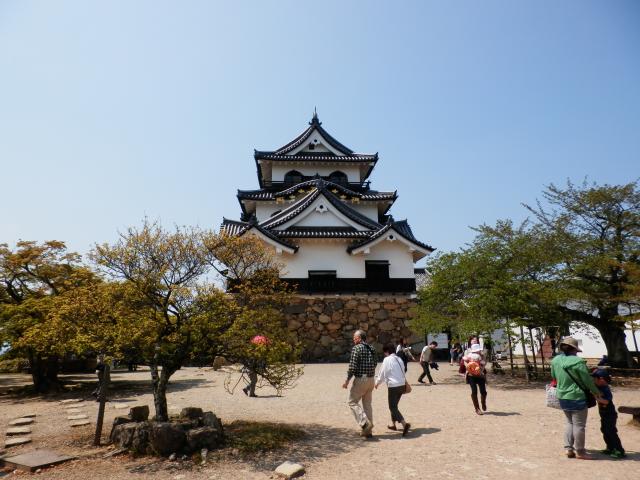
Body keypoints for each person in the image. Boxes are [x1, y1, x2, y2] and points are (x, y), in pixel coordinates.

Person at [550, 336, 601, 459]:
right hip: (577, 396)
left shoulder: (555, 360)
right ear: (574, 349)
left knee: (569, 422)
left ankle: (568, 448)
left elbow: (553, 376)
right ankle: (580, 451)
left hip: (562, 396)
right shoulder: (578, 362)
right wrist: (596, 392)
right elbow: (587, 380)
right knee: (579, 425)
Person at [342, 330, 376, 438]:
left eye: (355, 337)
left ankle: (365, 424)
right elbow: (375, 363)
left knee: (352, 402)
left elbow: (352, 367)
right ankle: (368, 432)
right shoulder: (372, 348)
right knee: (367, 405)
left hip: (361, 379)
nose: (353, 339)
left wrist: (347, 381)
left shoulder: (356, 348)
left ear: (360, 338)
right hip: (371, 379)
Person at [375, 343, 411, 436]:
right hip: (401, 385)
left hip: (393, 386)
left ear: (386, 351)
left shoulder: (387, 359)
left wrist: (377, 382)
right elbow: (403, 370)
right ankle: (393, 424)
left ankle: (404, 424)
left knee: (392, 407)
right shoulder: (399, 359)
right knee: (394, 405)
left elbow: (382, 372)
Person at [592, 369, 625, 458]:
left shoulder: (606, 389)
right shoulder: (598, 386)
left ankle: (619, 450)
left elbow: (606, 401)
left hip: (610, 414)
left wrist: (597, 398)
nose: (594, 381)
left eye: (595, 379)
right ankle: (610, 448)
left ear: (602, 379)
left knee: (611, 431)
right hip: (604, 414)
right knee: (604, 430)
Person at [462, 342, 487, 415]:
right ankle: (477, 408)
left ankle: (483, 402)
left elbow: (484, 364)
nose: (479, 351)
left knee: (483, 392)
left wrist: (480, 368)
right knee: (474, 391)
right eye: (478, 350)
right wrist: (470, 367)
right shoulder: (469, 355)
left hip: (480, 375)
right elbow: (465, 363)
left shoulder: (482, 356)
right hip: (471, 375)